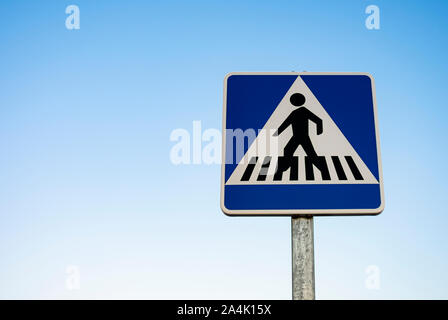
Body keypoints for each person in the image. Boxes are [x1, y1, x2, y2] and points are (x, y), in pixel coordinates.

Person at [273, 93, 323, 159]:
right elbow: (286, 124)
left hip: (303, 136)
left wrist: (319, 132)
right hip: (296, 137)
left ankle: (323, 167)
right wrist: (276, 134)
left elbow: (318, 120)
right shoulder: (294, 113)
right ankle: (284, 167)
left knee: (311, 154)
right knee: (288, 150)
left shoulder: (304, 111)